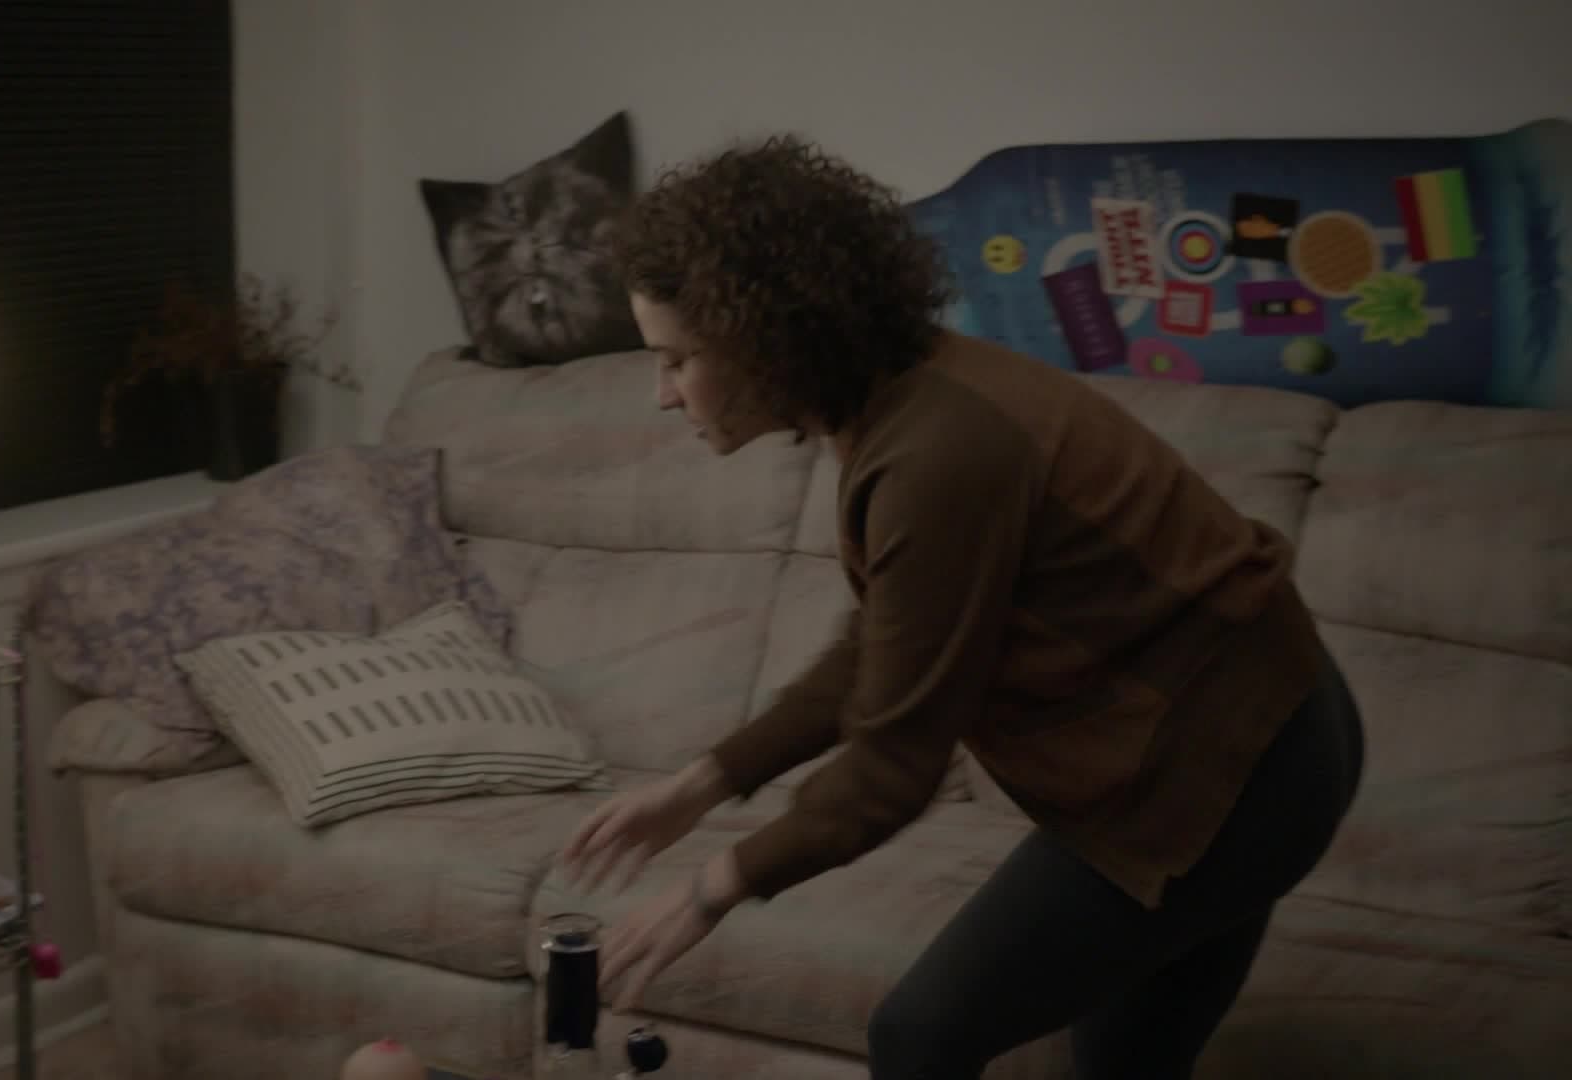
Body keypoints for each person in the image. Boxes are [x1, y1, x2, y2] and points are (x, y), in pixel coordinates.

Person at [556, 136, 1367, 1080]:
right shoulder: (905, 399)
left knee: (921, 1036)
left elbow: (894, 767)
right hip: (1253, 745)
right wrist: (702, 785)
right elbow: (888, 645)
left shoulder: (935, 453)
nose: (662, 395)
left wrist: (713, 889)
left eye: (675, 359)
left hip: (1236, 777)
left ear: (761, 336)